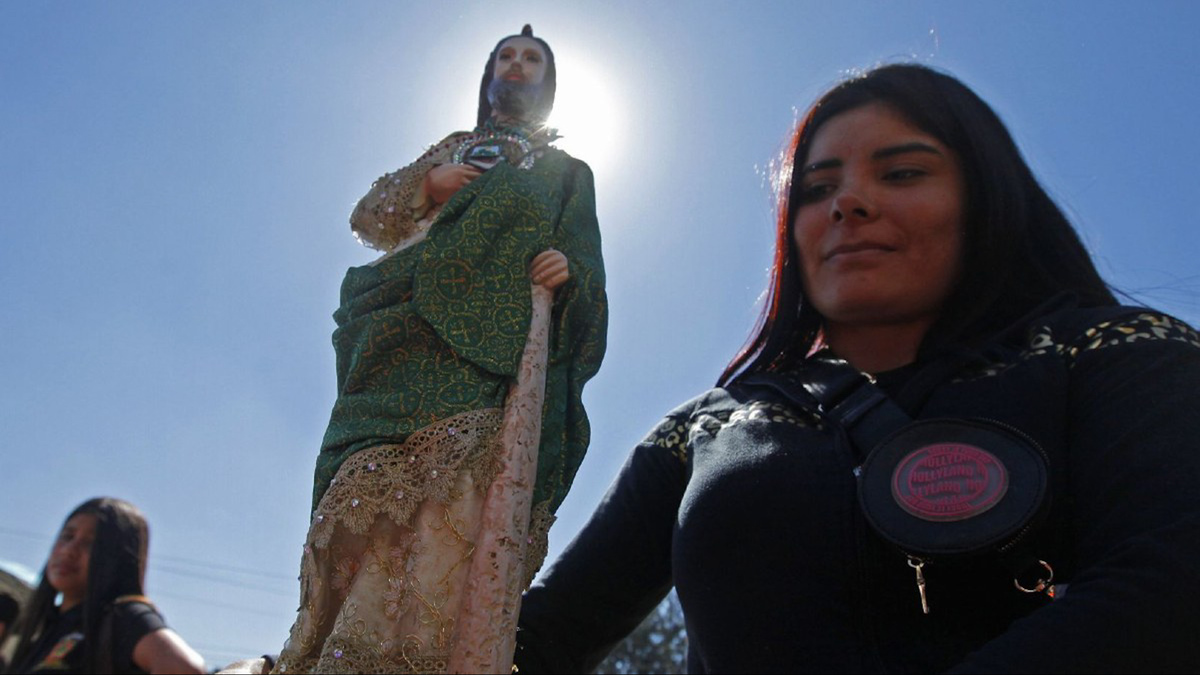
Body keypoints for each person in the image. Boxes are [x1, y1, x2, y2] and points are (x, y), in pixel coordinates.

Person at [512, 63, 1200, 673]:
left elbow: (1171, 582)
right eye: (816, 188)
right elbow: (540, 638)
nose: (848, 201)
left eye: (902, 172)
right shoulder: (703, 430)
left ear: (986, 198)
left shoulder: (1119, 350)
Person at [272, 25, 606, 674]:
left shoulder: (565, 172)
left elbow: (584, 260)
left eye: (530, 58)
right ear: (487, 77)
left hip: (490, 351)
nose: (516, 65)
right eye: (505, 56)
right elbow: (370, 215)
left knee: (454, 507)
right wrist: (430, 184)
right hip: (396, 336)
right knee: (362, 494)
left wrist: (565, 270)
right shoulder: (450, 150)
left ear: (549, 82)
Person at [5, 498, 205, 674]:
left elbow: (184, 668)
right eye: (67, 536)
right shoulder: (45, 629)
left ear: (118, 559)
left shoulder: (123, 617)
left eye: (90, 544)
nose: (69, 551)